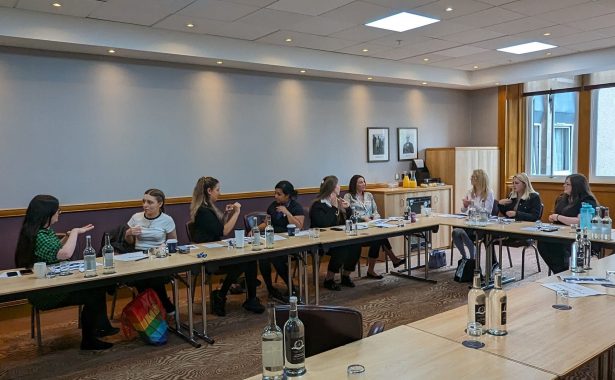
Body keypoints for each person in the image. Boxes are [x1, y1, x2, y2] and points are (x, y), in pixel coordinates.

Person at [14, 195, 118, 350]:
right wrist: (75, 233)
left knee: (97, 285)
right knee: (93, 292)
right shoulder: (39, 236)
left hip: (54, 281)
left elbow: (54, 251)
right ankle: (89, 340)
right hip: (48, 291)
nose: (59, 213)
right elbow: (64, 254)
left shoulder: (44, 230)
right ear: (47, 214)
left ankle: (101, 327)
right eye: (57, 210)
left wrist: (68, 236)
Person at [190, 176, 265, 316]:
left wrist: (226, 214)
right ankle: (221, 294)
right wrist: (237, 213)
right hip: (208, 255)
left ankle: (251, 298)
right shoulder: (203, 211)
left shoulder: (207, 208)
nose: (220, 193)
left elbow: (218, 227)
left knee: (250, 259)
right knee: (244, 262)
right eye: (218, 190)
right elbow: (223, 231)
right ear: (209, 190)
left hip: (216, 249)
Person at [124, 189, 177, 316]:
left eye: (149, 202)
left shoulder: (167, 220)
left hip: (159, 256)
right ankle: (159, 306)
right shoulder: (136, 217)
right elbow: (129, 242)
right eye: (144, 201)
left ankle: (153, 308)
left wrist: (164, 246)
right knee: (142, 277)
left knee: (154, 276)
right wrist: (128, 233)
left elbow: (173, 241)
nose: (145, 205)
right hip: (139, 255)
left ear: (160, 204)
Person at [343, 175, 405, 279]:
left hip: (372, 226)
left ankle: (374, 269)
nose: (364, 184)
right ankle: (392, 259)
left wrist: (376, 219)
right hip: (358, 230)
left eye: (364, 182)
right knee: (379, 238)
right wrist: (364, 218)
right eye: (360, 182)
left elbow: (375, 211)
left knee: (379, 237)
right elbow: (350, 214)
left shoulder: (369, 195)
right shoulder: (348, 196)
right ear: (354, 184)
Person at [539, 174, 598, 274]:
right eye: (564, 183)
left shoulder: (587, 200)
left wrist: (558, 217)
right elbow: (558, 214)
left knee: (557, 246)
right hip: (560, 232)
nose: (564, 186)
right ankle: (560, 271)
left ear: (576, 186)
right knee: (542, 242)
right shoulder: (563, 198)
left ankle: (562, 271)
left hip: (578, 235)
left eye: (567, 184)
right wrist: (553, 218)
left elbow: (579, 221)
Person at [309, 176, 360, 290]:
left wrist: (348, 209)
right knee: (341, 247)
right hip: (321, 240)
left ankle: (346, 276)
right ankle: (329, 279)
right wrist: (334, 207)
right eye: (337, 184)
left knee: (356, 245)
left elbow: (346, 221)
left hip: (338, 237)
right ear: (332, 188)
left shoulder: (338, 201)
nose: (339, 187)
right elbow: (324, 224)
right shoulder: (318, 205)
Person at [259, 180, 304, 302]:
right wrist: (255, 229)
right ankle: (270, 288)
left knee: (275, 257)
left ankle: (292, 288)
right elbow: (266, 222)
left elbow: (299, 226)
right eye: (275, 193)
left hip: (291, 243)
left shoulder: (296, 207)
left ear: (287, 195)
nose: (275, 196)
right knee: (262, 257)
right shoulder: (272, 206)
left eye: (279, 194)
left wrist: (287, 212)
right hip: (275, 240)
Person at [451, 169, 495, 260]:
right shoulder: (470, 191)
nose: (470, 179)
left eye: (473, 177)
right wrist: (465, 205)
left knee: (462, 231)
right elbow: (463, 210)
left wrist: (473, 203)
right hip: (468, 219)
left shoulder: (489, 193)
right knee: (455, 231)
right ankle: (464, 256)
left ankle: (472, 251)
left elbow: (487, 212)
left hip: (481, 222)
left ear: (479, 179)